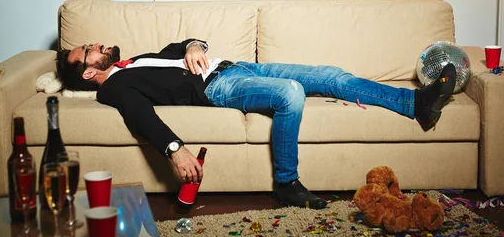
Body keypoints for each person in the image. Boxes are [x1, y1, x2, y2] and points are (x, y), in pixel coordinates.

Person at [57, 39, 456, 209]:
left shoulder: (135, 60)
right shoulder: (115, 87)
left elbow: (178, 48)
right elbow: (139, 115)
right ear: (89, 73)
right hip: (219, 87)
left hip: (238, 66)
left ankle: (416, 103)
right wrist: (175, 150)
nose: (97, 46)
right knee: (290, 94)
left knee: (331, 74)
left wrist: (195, 46)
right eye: (89, 51)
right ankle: (287, 182)